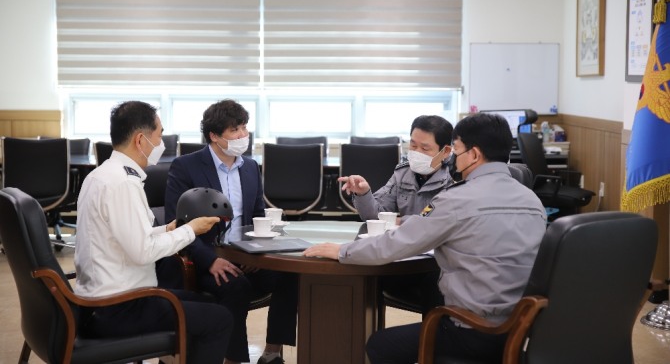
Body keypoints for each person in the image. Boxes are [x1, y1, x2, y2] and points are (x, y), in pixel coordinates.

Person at [304, 112, 547, 364]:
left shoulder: (457, 198)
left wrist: (343, 251)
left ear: (474, 155)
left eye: (457, 150)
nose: (455, 159)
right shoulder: (532, 201)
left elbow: (397, 243)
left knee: (380, 345)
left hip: (473, 329)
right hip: (520, 330)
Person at [74, 100, 232, 364]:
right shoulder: (123, 184)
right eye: (159, 136)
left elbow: (129, 236)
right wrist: (190, 230)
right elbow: (143, 251)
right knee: (219, 319)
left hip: (100, 301)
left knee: (209, 302)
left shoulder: (101, 175)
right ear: (140, 140)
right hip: (121, 307)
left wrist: (167, 229)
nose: (161, 144)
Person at [162, 99, 298, 364]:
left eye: (244, 127)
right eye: (235, 130)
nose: (243, 135)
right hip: (203, 260)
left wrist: (257, 253)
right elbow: (175, 224)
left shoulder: (250, 167)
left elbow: (257, 216)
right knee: (236, 286)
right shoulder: (186, 166)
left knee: (289, 274)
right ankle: (233, 360)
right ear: (214, 136)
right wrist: (210, 260)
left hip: (244, 255)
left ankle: (272, 352)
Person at [339, 115, 453, 314]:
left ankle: (433, 333)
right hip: (403, 255)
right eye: (413, 145)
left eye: (425, 148)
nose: (416, 153)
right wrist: (364, 193)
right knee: (362, 275)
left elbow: (438, 222)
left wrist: (402, 221)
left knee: (433, 282)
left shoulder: (454, 179)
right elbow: (376, 217)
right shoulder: (403, 173)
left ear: (445, 152)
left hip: (437, 263)